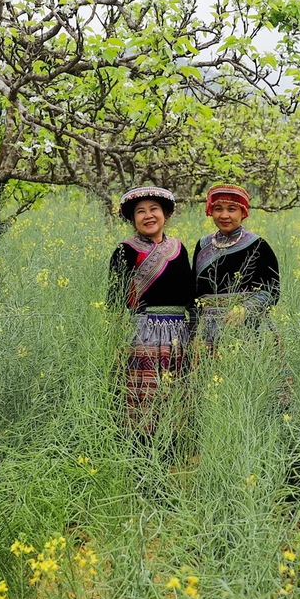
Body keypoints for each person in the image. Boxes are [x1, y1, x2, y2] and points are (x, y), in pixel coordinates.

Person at [108, 186, 195, 434]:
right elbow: (114, 301)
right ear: (133, 219)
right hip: (142, 334)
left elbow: (190, 295)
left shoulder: (179, 249)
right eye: (140, 211)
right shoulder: (125, 250)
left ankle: (174, 452)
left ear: (165, 214)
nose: (148, 216)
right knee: (143, 401)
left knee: (176, 399)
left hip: (179, 336)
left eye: (154, 209)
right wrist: (114, 341)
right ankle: (142, 454)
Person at [190, 183, 281, 353]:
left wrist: (244, 309)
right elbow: (195, 294)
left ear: (243, 212)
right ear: (210, 211)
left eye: (232, 209)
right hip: (208, 334)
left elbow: (272, 291)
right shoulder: (202, 245)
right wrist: (194, 333)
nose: (224, 215)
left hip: (249, 330)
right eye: (218, 209)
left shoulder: (258, 245)